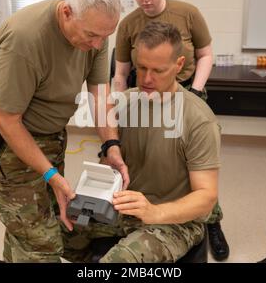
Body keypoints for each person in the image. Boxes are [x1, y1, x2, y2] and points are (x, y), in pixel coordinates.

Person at [0, 0, 129, 263]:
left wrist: (111, 146)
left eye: (105, 36)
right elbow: (8, 122)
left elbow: (100, 95)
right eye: (92, 35)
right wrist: (51, 175)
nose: (97, 45)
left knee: (40, 223)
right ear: (67, 12)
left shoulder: (97, 29)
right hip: (8, 145)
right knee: (39, 245)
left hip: (51, 136)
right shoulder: (25, 39)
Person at [62, 21, 220, 263]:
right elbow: (109, 164)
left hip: (174, 220)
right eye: (142, 67)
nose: (146, 78)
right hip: (122, 209)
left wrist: (154, 212)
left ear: (178, 65)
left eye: (157, 70)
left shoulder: (198, 119)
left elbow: (206, 196)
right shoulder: (122, 105)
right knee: (49, 234)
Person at [113, 0, 229, 261]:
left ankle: (210, 223)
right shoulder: (128, 25)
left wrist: (196, 92)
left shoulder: (187, 13)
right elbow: (121, 72)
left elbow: (205, 55)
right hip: (148, 101)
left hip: (187, 91)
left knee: (198, 173)